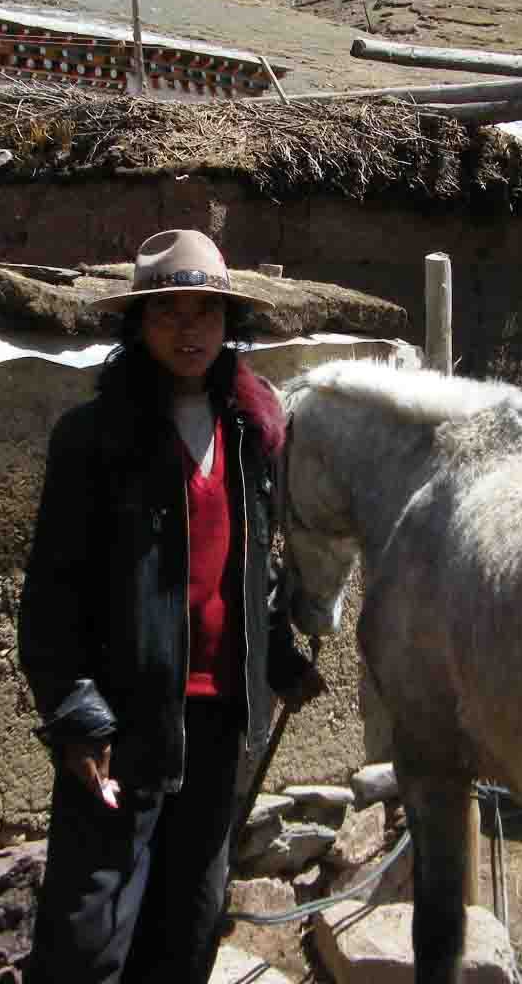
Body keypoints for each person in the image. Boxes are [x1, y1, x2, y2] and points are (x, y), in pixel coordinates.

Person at [18, 229, 325, 984]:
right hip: (125, 724)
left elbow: (248, 571)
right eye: (169, 314)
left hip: (221, 721)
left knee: (189, 920)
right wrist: (77, 714)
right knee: (89, 933)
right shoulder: (93, 439)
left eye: (205, 314)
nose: (190, 332)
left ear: (228, 327)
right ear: (139, 325)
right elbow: (53, 592)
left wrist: (277, 653)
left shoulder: (253, 431)